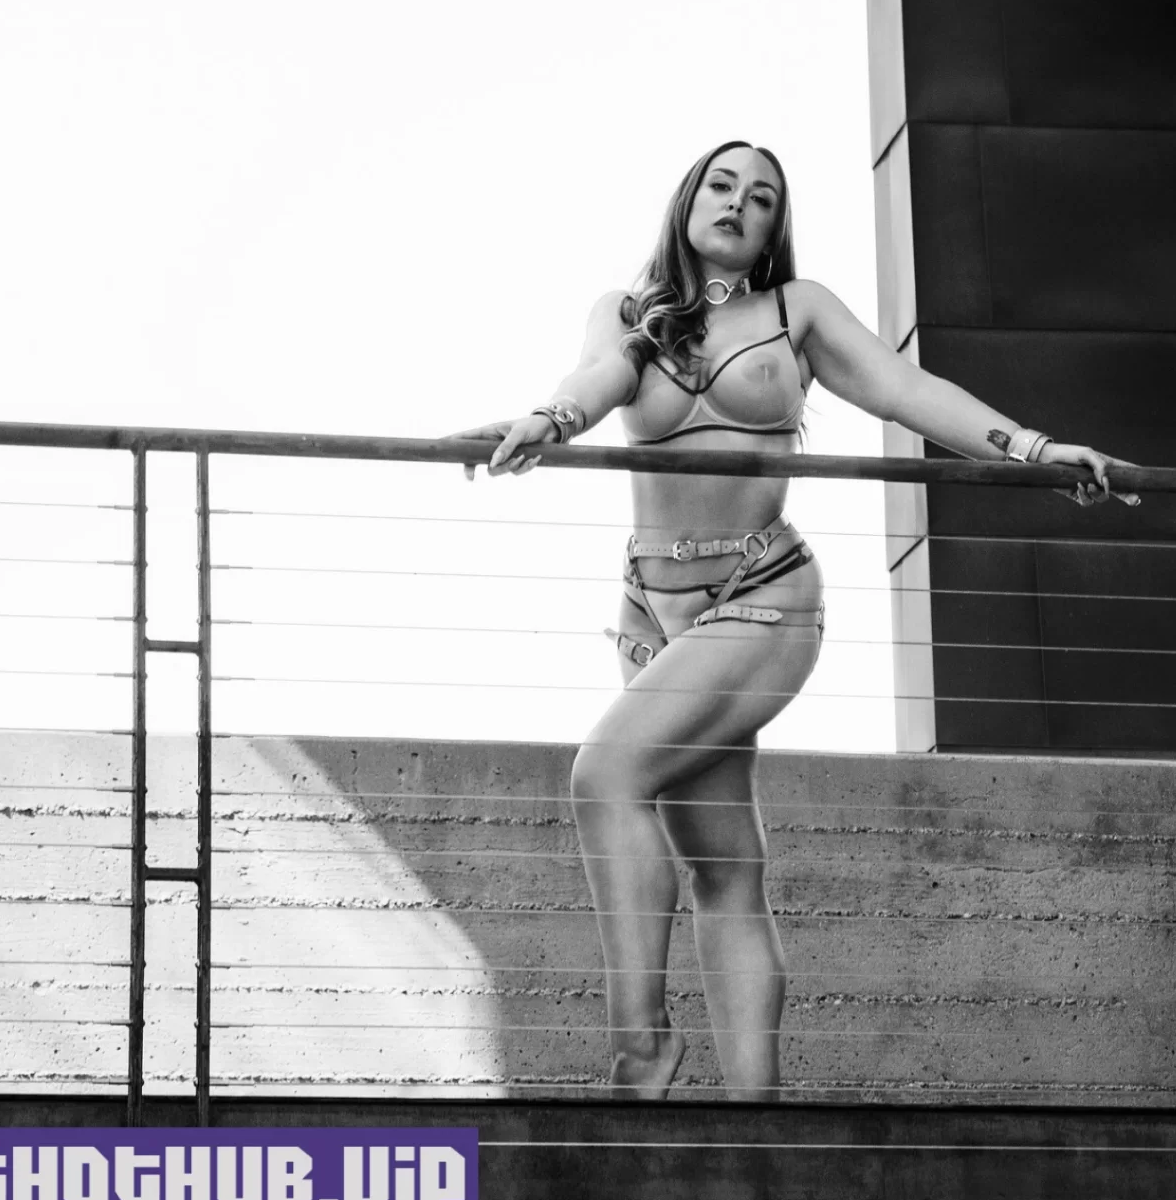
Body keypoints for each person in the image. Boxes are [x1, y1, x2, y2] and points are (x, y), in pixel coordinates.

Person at [459, 138, 1119, 1102]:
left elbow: (908, 391)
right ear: (688, 199)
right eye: (722, 184)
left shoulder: (794, 311)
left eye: (762, 196)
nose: (739, 203)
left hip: (761, 596)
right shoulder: (627, 312)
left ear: (775, 227)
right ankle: (756, 1117)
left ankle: (639, 1052)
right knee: (724, 866)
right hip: (651, 616)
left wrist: (1032, 448)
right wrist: (549, 422)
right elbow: (596, 379)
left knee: (605, 774)